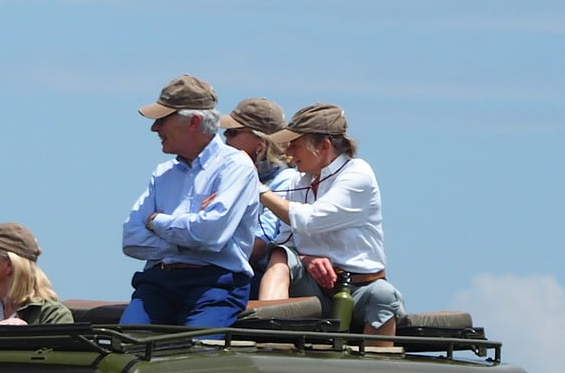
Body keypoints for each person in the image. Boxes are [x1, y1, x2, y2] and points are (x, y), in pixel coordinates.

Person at [119, 75, 260, 326]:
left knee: (192, 357)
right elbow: (130, 239)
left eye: (162, 120)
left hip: (215, 285)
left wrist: (157, 222)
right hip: (158, 284)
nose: (154, 128)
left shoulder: (236, 166)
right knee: (125, 347)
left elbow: (209, 235)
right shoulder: (163, 173)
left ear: (194, 121)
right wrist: (188, 241)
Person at [256, 103, 405, 335]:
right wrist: (305, 259)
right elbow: (285, 239)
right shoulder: (298, 180)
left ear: (323, 146)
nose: (289, 153)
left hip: (359, 288)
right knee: (280, 256)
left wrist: (260, 191)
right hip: (314, 286)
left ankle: (377, 363)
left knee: (383, 296)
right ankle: (268, 331)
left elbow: (310, 220)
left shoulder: (357, 174)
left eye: (295, 145)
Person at [218, 97, 303, 298]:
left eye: (233, 133)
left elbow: (259, 245)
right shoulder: (231, 178)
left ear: (260, 143)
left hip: (256, 276)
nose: (226, 140)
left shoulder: (287, 180)